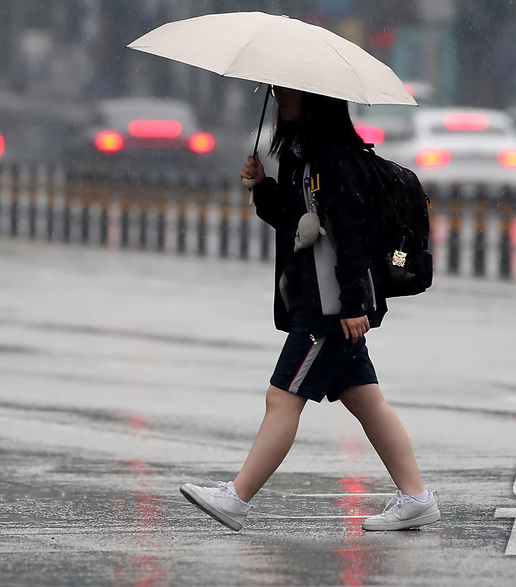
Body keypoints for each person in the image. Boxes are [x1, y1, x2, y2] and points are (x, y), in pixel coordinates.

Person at [179, 87, 439, 532]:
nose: (279, 98)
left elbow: (351, 235)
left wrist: (355, 303)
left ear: (315, 99)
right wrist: (262, 188)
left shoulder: (337, 158)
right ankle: (416, 497)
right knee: (368, 402)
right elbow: (298, 223)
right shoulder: (304, 156)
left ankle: (237, 498)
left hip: (331, 308)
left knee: (282, 398)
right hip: (318, 301)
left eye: (288, 92)